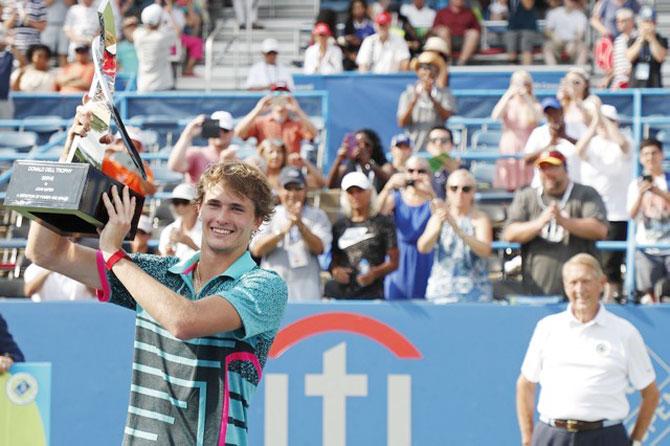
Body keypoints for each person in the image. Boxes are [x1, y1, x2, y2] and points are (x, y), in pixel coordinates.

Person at [26, 107, 288, 443]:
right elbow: (46, 252)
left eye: (237, 209)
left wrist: (114, 255)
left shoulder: (265, 286)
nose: (222, 217)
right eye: (214, 205)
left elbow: (184, 322)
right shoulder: (155, 273)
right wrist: (75, 156)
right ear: (199, 208)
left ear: (257, 223)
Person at [516, 253, 659, 446]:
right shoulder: (547, 328)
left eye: (586, 281)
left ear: (601, 283)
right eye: (573, 282)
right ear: (565, 286)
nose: (580, 289)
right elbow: (525, 385)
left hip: (606, 437)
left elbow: (650, 393)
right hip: (552, 436)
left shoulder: (625, 332)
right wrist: (527, 438)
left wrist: (635, 441)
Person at [500, 150, 608, 296]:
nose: (548, 173)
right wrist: (538, 223)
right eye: (543, 168)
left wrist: (564, 221)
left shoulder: (585, 194)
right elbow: (510, 233)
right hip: (538, 285)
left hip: (580, 288)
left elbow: (599, 229)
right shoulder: (527, 196)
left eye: (553, 167)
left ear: (565, 169)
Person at [575, 102, 632, 301]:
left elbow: (623, 144)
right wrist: (595, 121)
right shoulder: (591, 142)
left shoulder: (625, 140)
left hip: (616, 212)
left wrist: (601, 116)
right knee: (589, 260)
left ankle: (611, 300)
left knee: (611, 264)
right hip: (589, 214)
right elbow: (578, 150)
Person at [250, 166, 332, 301]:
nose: (293, 193)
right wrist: (282, 231)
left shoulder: (318, 215)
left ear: (305, 189)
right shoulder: (269, 215)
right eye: (288, 188)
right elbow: (257, 250)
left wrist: (300, 225)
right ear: (279, 190)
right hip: (272, 293)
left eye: (298, 188)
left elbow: (320, 248)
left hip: (307, 292)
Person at [419, 169, 492, 303]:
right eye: (454, 188)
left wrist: (459, 230)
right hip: (441, 293)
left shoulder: (480, 219)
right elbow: (423, 247)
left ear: (473, 192)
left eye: (466, 189)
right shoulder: (438, 217)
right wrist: (437, 228)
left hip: (476, 293)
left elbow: (485, 250)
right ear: (447, 190)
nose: (459, 193)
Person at [325, 171, 398, 299]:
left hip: (372, 293)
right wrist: (335, 271)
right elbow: (334, 259)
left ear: (369, 192)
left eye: (359, 191)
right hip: (342, 293)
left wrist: (374, 273)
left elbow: (394, 262)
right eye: (351, 192)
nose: (355, 196)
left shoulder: (383, 223)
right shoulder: (339, 226)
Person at [378, 156, 435, 299]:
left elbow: (444, 216)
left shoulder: (432, 201)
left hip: (425, 257)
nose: (415, 175)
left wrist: (431, 193)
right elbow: (375, 216)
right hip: (399, 257)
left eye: (421, 171)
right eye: (411, 171)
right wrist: (387, 187)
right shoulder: (396, 198)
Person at [627, 138, 670, 304]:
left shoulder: (667, 180)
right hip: (646, 248)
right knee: (648, 296)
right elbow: (631, 214)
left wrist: (658, 192)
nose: (650, 158)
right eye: (645, 154)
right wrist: (641, 194)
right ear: (640, 158)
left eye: (654, 153)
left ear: (662, 155)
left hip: (668, 246)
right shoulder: (634, 185)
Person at [491, 70, 542, 191]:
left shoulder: (534, 104)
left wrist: (527, 97)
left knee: (529, 185)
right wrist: (508, 94)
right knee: (509, 184)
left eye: (524, 83)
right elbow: (495, 116)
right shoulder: (508, 104)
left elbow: (538, 118)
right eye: (517, 83)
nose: (520, 86)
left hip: (528, 145)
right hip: (509, 145)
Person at [397, 51, 455, 152]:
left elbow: (446, 117)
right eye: (424, 68)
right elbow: (401, 122)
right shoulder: (408, 94)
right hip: (414, 148)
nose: (428, 72)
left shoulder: (445, 93)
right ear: (418, 71)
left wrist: (432, 97)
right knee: (416, 167)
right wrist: (414, 100)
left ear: (437, 72)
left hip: (437, 150)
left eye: (431, 68)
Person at [523, 97, 583, 188]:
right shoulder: (539, 132)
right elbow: (527, 160)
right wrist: (550, 144)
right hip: (544, 187)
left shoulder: (575, 128)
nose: (552, 115)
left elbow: (588, 150)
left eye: (554, 111)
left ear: (561, 111)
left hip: (573, 185)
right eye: (548, 113)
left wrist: (566, 137)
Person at [235, 92, 317, 154]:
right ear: (271, 100)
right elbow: (239, 133)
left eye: (283, 98)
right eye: (276, 98)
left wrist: (297, 110)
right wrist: (258, 109)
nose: (280, 101)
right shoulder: (260, 122)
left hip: (290, 170)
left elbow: (314, 134)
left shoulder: (297, 123)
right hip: (266, 167)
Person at [169, 111, 236, 184]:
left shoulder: (237, 161)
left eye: (225, 130)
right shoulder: (196, 153)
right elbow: (175, 166)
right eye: (216, 129)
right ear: (208, 130)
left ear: (232, 133)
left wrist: (228, 164)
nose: (220, 133)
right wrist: (188, 134)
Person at [326, 128, 391, 192]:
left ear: (374, 146)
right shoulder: (348, 167)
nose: (361, 147)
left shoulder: (384, 166)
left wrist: (369, 162)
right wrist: (339, 159)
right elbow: (330, 186)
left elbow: (390, 180)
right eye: (357, 144)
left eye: (367, 145)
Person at [133, 3, 179, 92]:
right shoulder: (163, 37)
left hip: (143, 86)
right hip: (163, 87)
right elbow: (177, 31)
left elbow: (147, 27)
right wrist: (169, 14)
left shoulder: (137, 34)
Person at [626, 6, 668, 89]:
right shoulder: (633, 39)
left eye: (649, 22)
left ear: (654, 23)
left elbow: (660, 57)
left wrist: (652, 39)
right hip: (635, 85)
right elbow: (629, 57)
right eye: (644, 22)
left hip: (654, 84)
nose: (647, 25)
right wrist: (641, 38)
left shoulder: (661, 40)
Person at [159, 183, 202, 260]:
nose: (180, 206)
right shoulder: (167, 231)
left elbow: (213, 261)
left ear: (196, 205)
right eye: (176, 202)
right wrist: (168, 256)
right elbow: (163, 261)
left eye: (184, 202)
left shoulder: (207, 230)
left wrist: (190, 243)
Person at [431, 0, 480, 66]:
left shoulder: (469, 12)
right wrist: (444, 30)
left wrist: (469, 31)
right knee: (443, 31)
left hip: (464, 41)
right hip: (446, 41)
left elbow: (477, 29)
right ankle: (448, 61)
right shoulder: (442, 12)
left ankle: (461, 63)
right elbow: (434, 29)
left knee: (473, 33)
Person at [2, 0, 47, 66]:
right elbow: (4, 27)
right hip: (13, 50)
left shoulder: (39, 3)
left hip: (32, 49)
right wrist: (13, 16)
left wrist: (29, 22)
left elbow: (43, 27)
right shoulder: (10, 3)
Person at [543, 0, 588, 66]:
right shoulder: (554, 13)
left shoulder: (580, 16)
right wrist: (553, 36)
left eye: (574, 1)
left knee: (583, 49)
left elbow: (580, 34)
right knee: (547, 48)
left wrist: (573, 42)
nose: (571, 2)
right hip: (557, 43)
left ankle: (578, 71)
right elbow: (547, 30)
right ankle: (553, 71)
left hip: (573, 43)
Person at [24, 260, 95, 301]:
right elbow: (29, 291)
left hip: (80, 314)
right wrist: (48, 270)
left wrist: (80, 273)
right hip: (46, 314)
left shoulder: (85, 265)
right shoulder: (34, 268)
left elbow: (95, 293)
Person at [602, 8, 635, 89]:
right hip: (618, 83)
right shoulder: (618, 40)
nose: (619, 24)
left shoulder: (638, 38)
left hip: (632, 83)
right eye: (617, 21)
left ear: (631, 22)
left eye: (623, 21)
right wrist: (608, 78)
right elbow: (617, 67)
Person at [425, 125, 461, 200]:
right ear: (428, 146)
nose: (439, 144)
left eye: (444, 140)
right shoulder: (417, 170)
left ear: (452, 145)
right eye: (434, 140)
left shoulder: (461, 170)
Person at [505, 0, 539, 66]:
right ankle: (513, 74)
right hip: (512, 26)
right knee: (511, 51)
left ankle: (526, 73)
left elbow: (528, 5)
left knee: (526, 51)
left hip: (528, 26)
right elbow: (501, 3)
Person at [40, 0, 70, 67]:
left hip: (64, 24)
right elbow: (46, 3)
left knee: (63, 53)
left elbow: (70, 3)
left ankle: (64, 75)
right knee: (47, 53)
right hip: (49, 24)